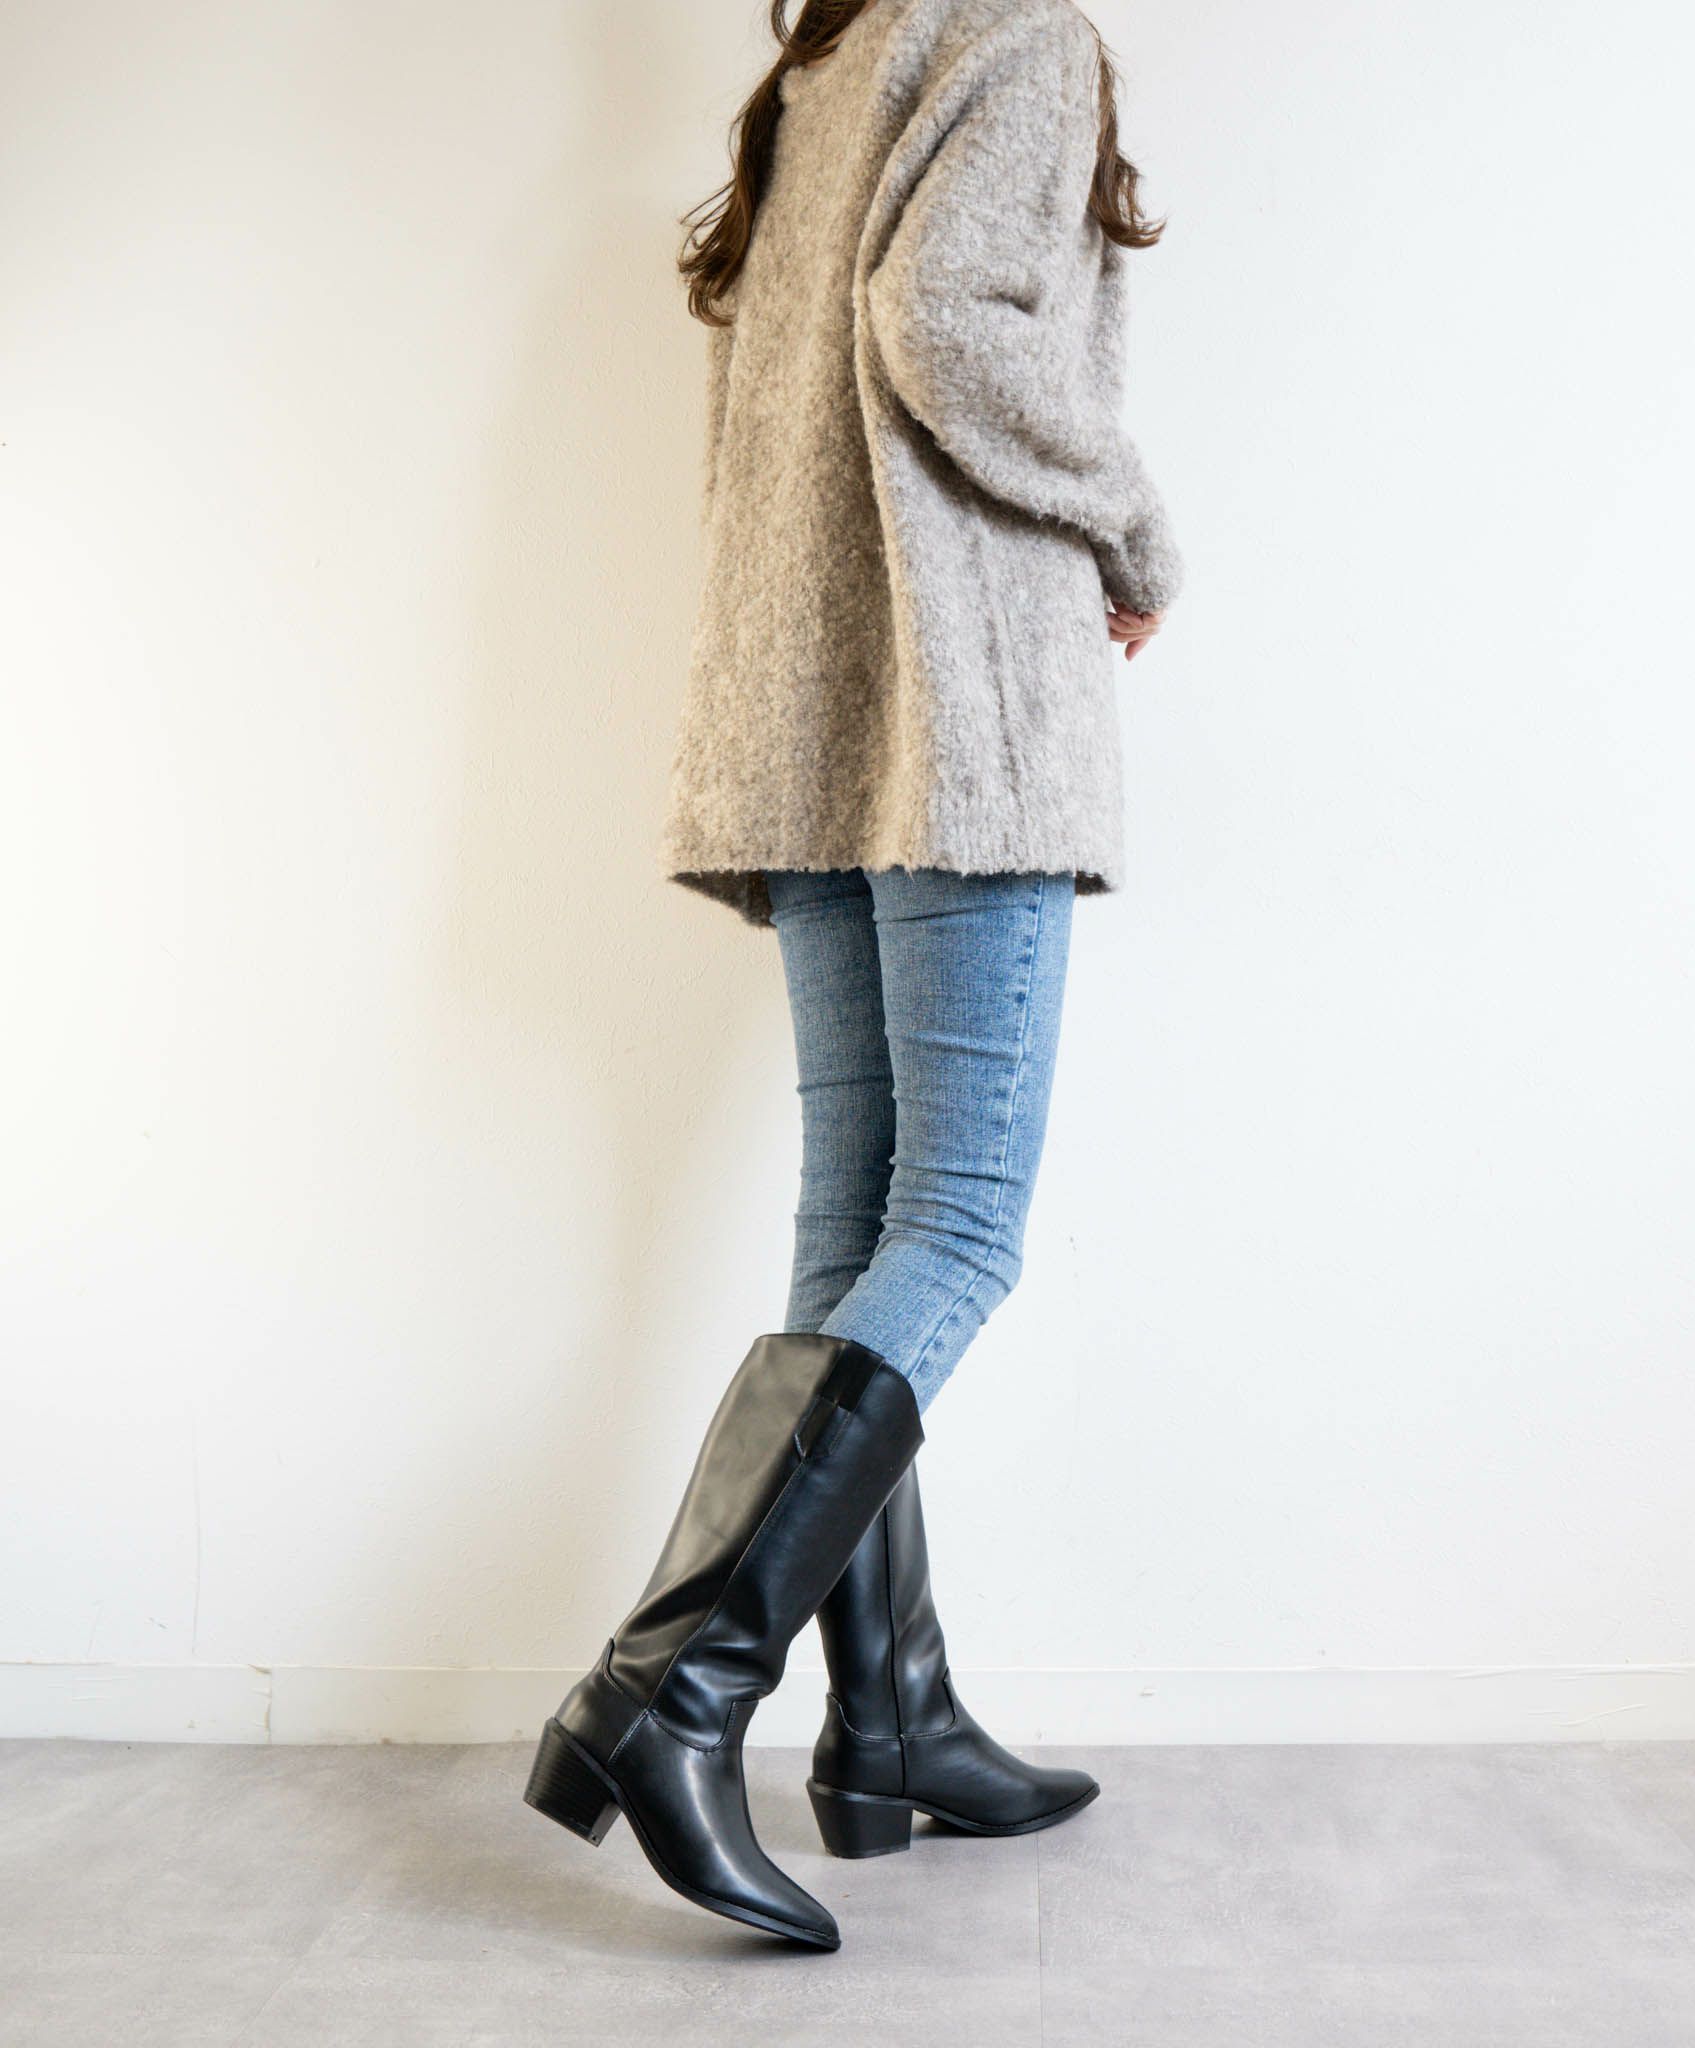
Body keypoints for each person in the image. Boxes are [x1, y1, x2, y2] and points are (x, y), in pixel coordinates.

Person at [523, 0, 1181, 1951]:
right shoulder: (1017, 34)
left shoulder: (824, 65)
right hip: (955, 707)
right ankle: (672, 1689)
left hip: (807, 719)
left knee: (858, 1224)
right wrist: (1133, 526)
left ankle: (893, 1716)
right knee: (956, 1224)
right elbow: (942, 323)